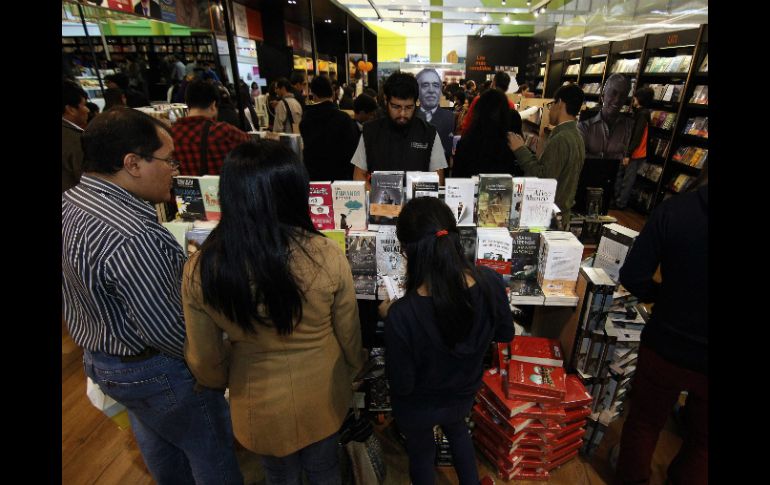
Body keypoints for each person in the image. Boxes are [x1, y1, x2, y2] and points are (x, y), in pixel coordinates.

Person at [62, 108, 243, 484]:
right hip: (157, 370)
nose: (175, 170)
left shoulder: (71, 204)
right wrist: (214, 361)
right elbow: (171, 331)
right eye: (168, 160)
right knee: (211, 456)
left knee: (160, 448)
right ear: (133, 163)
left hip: (102, 362)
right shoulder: (134, 233)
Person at [182, 140, 366, 484]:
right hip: (324, 393)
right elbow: (349, 333)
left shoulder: (202, 267)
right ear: (295, 191)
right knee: (325, 468)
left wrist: (219, 380)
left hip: (256, 401)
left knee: (278, 475)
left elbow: (205, 359)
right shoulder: (326, 254)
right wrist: (354, 368)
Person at [379, 196, 514, 485]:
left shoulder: (402, 316)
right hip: (463, 394)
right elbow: (505, 334)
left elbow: (402, 384)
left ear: (407, 252)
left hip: (418, 406)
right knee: (459, 432)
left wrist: (391, 317)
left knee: (421, 453)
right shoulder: (490, 281)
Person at [613, 166, 708, 485]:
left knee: (644, 422)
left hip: (667, 341)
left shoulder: (675, 211)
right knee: (703, 443)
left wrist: (664, 297)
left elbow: (633, 277)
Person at [507, 83, 586, 228]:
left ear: (560, 103)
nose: (549, 111)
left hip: (551, 217)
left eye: (551, 105)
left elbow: (543, 180)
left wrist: (520, 149)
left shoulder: (561, 138)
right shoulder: (576, 136)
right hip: (562, 212)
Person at [351, 72, 448, 188]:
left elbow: (438, 179)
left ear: (416, 103)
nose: (402, 113)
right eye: (396, 107)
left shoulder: (429, 133)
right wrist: (378, 198)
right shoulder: (370, 132)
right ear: (386, 101)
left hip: (418, 204)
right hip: (379, 204)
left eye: (408, 107)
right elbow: (358, 176)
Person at [172, 79, 250, 176]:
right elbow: (252, 147)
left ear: (187, 104)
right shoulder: (222, 131)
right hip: (220, 189)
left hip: (186, 191)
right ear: (213, 105)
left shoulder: (171, 133)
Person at [300, 75, 360, 181]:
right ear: (332, 93)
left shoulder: (306, 119)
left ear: (313, 94)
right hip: (341, 180)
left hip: (314, 179)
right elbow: (353, 152)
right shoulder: (344, 118)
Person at [453, 89, 523, 178]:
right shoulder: (512, 144)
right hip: (503, 190)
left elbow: (457, 178)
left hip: (470, 190)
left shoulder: (465, 143)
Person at [614, 86, 654, 209]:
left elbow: (636, 137)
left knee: (627, 179)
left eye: (636, 97)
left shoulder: (642, 115)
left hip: (636, 153)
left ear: (641, 98)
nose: (633, 99)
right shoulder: (639, 113)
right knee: (621, 175)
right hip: (631, 151)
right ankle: (616, 199)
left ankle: (620, 203)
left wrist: (628, 154)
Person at [578, 73, 633, 160]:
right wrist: (615, 157)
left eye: (623, 95)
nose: (617, 100)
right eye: (613, 93)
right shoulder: (584, 127)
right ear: (603, 95)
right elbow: (579, 157)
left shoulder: (630, 127)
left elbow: (630, 160)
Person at [416, 68, 455, 163]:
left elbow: (447, 150)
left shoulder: (449, 116)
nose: (431, 90)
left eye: (436, 85)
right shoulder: (409, 116)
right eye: (425, 85)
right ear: (417, 89)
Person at [62, 80, 90, 192]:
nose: (87, 110)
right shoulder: (75, 140)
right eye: (84, 105)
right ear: (70, 109)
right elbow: (91, 183)